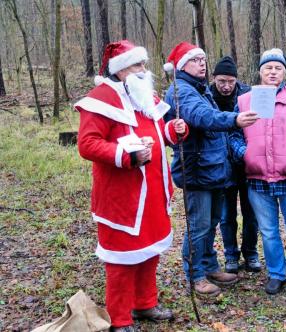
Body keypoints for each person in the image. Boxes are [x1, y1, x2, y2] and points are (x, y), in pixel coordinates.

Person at [76, 40, 188, 332]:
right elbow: (87, 144)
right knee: (122, 260)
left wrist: (173, 131)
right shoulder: (100, 99)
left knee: (150, 252)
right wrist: (126, 156)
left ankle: (145, 303)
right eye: (137, 65)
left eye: (143, 64)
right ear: (120, 68)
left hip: (153, 193)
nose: (143, 70)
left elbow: (155, 132)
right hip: (122, 198)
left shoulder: (143, 95)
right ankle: (120, 318)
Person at [163, 42, 258, 297]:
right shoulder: (181, 91)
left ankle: (210, 266)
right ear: (182, 65)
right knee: (199, 225)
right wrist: (234, 119)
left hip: (213, 169)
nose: (202, 63)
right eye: (196, 60)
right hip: (196, 170)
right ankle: (195, 276)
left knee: (213, 221)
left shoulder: (199, 88)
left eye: (204, 59)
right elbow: (202, 116)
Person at [230, 48, 286, 295]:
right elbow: (234, 136)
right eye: (268, 68)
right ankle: (276, 274)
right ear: (260, 71)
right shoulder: (244, 100)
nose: (273, 72)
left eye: (277, 68)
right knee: (269, 233)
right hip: (258, 179)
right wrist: (244, 153)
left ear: (284, 72)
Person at [209, 56, 262, 274]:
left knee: (251, 213)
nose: (226, 86)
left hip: (248, 163)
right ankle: (231, 254)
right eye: (222, 81)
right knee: (226, 214)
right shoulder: (207, 97)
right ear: (214, 79)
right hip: (221, 166)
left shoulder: (248, 95)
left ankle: (250, 253)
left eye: (230, 81)